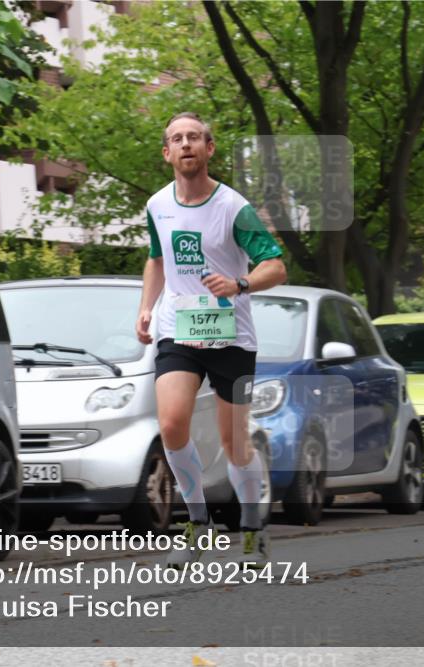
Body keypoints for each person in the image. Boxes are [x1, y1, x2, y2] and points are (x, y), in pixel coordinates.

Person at [136, 112, 287, 566]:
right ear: (167, 153)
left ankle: (252, 530)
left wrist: (239, 284)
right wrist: (146, 306)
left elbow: (276, 268)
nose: (186, 145)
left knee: (234, 444)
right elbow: (157, 259)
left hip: (232, 338)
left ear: (209, 149)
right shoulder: (157, 205)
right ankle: (197, 523)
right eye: (177, 139)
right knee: (172, 424)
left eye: (195, 138)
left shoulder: (232, 208)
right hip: (178, 330)